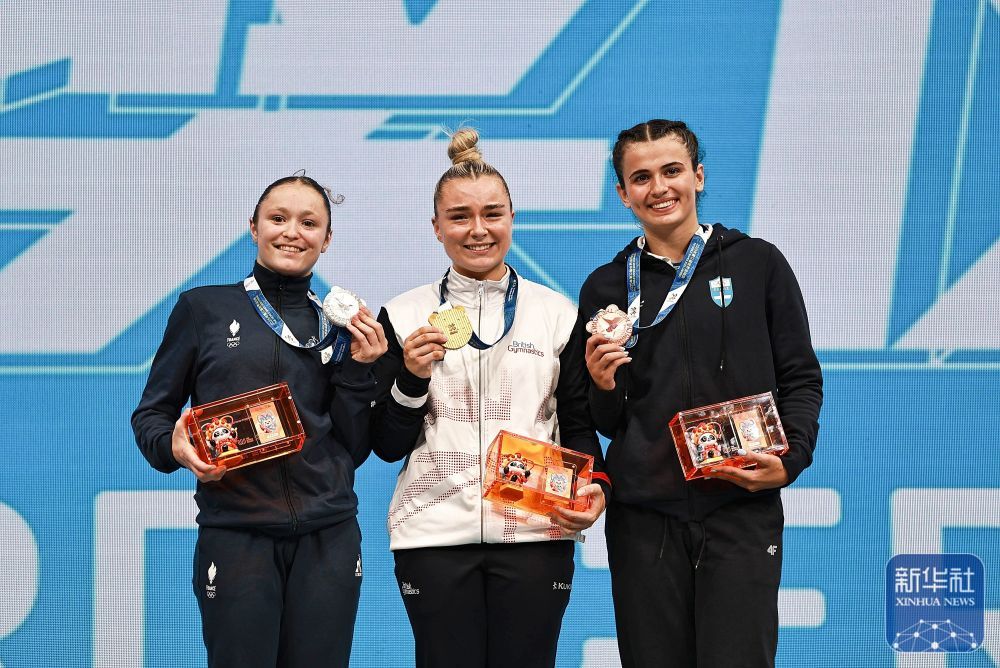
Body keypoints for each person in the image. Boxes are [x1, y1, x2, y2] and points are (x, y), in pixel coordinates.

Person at [579, 119, 823, 667]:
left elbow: (801, 377)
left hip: (740, 508)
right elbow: (604, 419)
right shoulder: (606, 287)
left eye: (672, 171)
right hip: (644, 519)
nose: (659, 188)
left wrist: (791, 460)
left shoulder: (757, 263)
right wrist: (602, 385)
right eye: (641, 177)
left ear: (699, 176)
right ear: (622, 193)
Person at [370, 128, 611, 668]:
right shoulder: (402, 316)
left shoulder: (556, 314)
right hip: (432, 534)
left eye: (492, 214)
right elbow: (385, 445)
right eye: (459, 217)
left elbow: (577, 424)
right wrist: (411, 377)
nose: (478, 230)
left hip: (536, 531)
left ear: (512, 218)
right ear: (436, 227)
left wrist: (595, 485)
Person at [131, 174, 388, 668]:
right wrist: (174, 447)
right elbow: (152, 414)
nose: (292, 232)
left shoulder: (339, 327)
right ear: (253, 227)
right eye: (278, 218)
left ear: (326, 239)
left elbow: (352, 448)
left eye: (309, 223)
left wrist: (359, 370)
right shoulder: (203, 309)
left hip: (329, 536)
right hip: (237, 535)